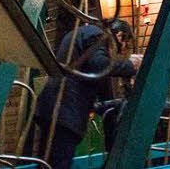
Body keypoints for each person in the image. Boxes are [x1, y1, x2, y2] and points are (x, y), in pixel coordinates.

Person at [31, 20, 143, 169]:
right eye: (124, 47)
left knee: (48, 163)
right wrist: (130, 65)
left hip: (54, 108)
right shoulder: (96, 35)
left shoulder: (82, 34)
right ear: (120, 36)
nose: (119, 53)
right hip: (65, 110)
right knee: (58, 163)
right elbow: (100, 65)